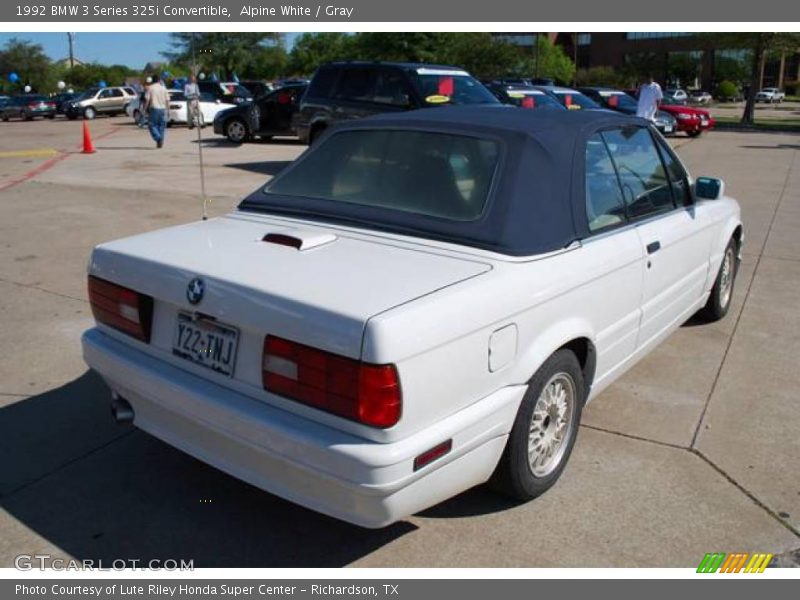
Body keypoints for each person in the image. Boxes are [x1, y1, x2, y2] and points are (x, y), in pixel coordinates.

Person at [144, 73, 169, 148]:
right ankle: (160, 141)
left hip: (154, 108)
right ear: (159, 80)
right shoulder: (163, 88)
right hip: (162, 109)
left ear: (152, 80)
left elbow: (147, 99)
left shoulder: (150, 88)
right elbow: (167, 100)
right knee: (161, 126)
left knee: (152, 125)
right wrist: (168, 110)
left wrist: (145, 109)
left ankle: (158, 138)